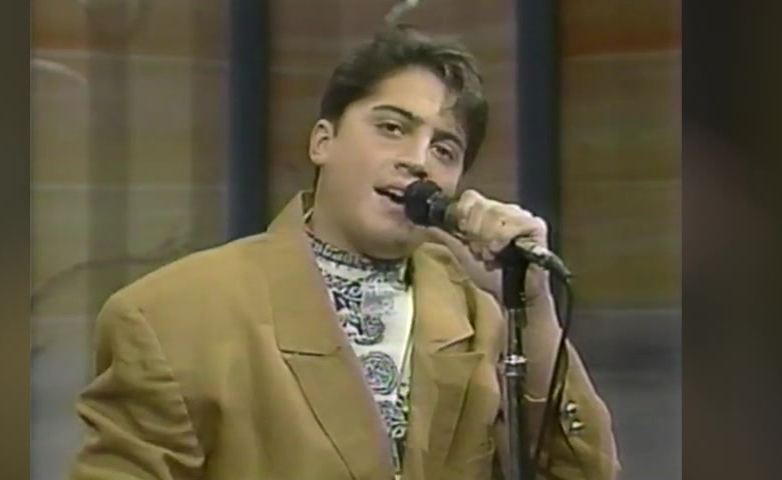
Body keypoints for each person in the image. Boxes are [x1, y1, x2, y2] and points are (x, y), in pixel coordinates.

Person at [69, 25, 620, 480]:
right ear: (322, 142)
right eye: (392, 127)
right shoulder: (169, 315)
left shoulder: (481, 321)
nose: (419, 160)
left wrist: (533, 303)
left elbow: (583, 472)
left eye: (444, 149)